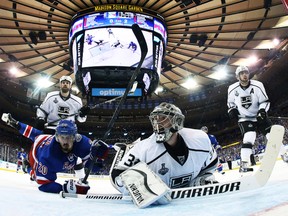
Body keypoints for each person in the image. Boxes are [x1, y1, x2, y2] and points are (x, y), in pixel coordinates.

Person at [110, 102, 218, 207]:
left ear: (177, 121)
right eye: (155, 119)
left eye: (163, 118)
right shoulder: (143, 149)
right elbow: (116, 175)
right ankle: (124, 149)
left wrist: (202, 178)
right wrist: (142, 190)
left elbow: (211, 164)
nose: (158, 124)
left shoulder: (199, 139)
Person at [2, 113, 108, 194]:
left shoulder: (82, 142)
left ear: (75, 137)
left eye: (69, 137)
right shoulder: (47, 158)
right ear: (57, 138)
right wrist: (65, 189)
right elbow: (44, 185)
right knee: (35, 175)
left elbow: (94, 166)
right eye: (62, 137)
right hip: (36, 153)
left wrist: (98, 157)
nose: (65, 142)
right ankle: (27, 167)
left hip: (45, 139)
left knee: (37, 134)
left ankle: (15, 124)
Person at [227, 65, 272, 172]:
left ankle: (285, 154)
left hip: (259, 116)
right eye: (241, 73)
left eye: (246, 72)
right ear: (237, 76)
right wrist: (232, 109)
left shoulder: (258, 85)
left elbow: (265, 101)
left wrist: (262, 111)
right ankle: (244, 164)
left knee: (272, 136)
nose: (244, 75)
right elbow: (230, 102)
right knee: (249, 137)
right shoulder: (232, 88)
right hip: (245, 118)